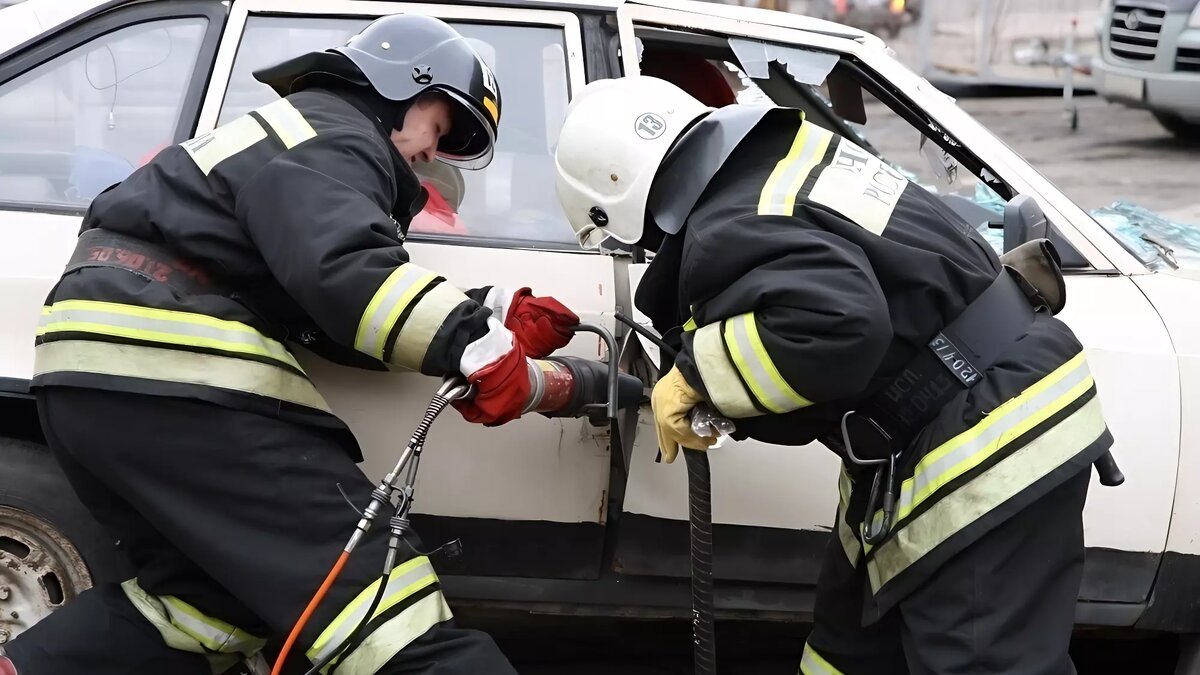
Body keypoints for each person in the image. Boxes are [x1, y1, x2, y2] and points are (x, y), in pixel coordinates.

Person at [0, 14, 581, 675]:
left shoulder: (284, 140)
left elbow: (321, 304)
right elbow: (343, 271)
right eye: (440, 128)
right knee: (386, 611)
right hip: (175, 374)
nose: (430, 155)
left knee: (210, 604)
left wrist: (489, 312)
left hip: (90, 375)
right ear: (403, 85)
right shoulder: (335, 134)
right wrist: (479, 347)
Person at [552, 76, 1117, 675]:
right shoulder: (790, 161)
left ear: (612, 201)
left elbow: (842, 323)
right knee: (846, 650)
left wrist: (699, 375)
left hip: (984, 433)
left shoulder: (729, 226)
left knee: (981, 660)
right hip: (936, 429)